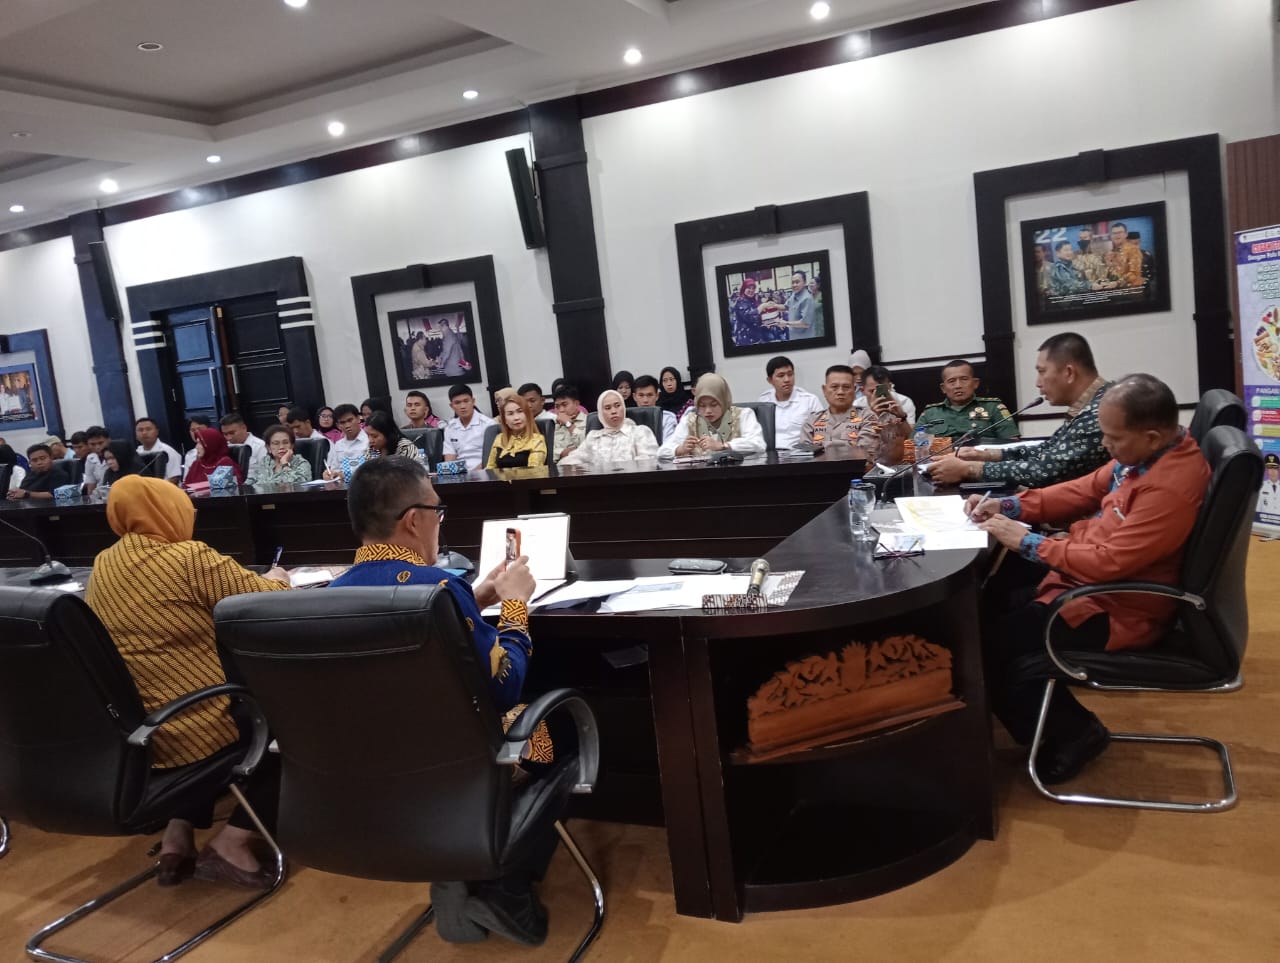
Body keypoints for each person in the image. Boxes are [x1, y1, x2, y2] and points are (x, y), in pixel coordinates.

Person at [328, 457, 555, 945]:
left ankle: (454, 869)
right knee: (553, 729)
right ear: (414, 520)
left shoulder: (326, 595)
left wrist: (477, 596)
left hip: (373, 774)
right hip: (459, 764)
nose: (439, 520)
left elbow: (424, 625)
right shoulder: (439, 587)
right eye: (438, 510)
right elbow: (505, 685)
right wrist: (516, 605)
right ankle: (502, 884)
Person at [969, 374, 1210, 784]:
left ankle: (1075, 732)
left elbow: (1109, 564)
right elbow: (1081, 491)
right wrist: (1009, 506)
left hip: (1118, 606)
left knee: (985, 646)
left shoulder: (1168, 487)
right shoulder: (1145, 455)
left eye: (1113, 438)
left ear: (1151, 436)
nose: (1105, 445)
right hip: (1086, 582)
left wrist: (1027, 541)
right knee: (991, 603)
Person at [85, 475, 291, 887]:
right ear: (168, 512)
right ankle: (233, 842)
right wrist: (280, 578)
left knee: (188, 695)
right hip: (195, 729)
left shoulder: (103, 563)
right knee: (298, 729)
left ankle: (176, 837)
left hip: (139, 737)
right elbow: (268, 601)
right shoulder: (188, 557)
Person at [928, 332, 1111, 487]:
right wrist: (986, 455)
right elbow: (1047, 449)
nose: (1038, 383)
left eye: (1042, 371)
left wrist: (968, 469)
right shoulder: (1093, 405)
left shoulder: (1101, 413)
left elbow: (1046, 470)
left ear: (1069, 373)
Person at [658, 373, 766, 458]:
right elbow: (662, 452)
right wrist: (679, 449)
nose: (708, 411)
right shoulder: (690, 420)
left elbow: (758, 444)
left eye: (714, 405)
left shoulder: (743, 415)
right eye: (702, 405)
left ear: (724, 400)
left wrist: (723, 446)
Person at [914, 360, 1020, 443]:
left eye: (964, 379)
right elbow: (914, 445)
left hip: (981, 462)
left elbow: (1011, 443)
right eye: (951, 381)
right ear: (943, 388)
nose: (958, 385)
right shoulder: (930, 413)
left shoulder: (993, 408)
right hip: (941, 462)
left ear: (975, 383)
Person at [560, 390, 659, 465]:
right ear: (601, 413)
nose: (614, 411)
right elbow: (569, 462)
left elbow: (649, 463)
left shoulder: (640, 432)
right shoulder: (593, 438)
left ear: (623, 407)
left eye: (617, 405)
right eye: (608, 408)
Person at [758, 355, 823, 450]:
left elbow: (821, 433)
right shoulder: (764, 401)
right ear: (770, 380)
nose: (787, 380)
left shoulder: (810, 400)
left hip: (799, 453)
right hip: (771, 453)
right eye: (781, 376)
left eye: (790, 374)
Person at [486, 396, 548, 469]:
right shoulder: (499, 439)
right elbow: (490, 469)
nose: (516, 418)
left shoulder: (537, 440)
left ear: (527, 415)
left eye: (520, 411)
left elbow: (534, 470)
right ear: (504, 420)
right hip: (500, 476)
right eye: (510, 414)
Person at [441, 384, 495, 466]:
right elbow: (449, 459)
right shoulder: (450, 428)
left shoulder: (489, 424)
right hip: (460, 472)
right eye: (457, 403)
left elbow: (492, 458)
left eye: (466, 401)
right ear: (451, 406)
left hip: (484, 470)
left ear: (473, 401)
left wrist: (474, 473)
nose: (463, 406)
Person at [247, 424, 314, 487]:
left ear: (292, 446)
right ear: (268, 448)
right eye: (276, 443)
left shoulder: (301, 463)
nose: (281, 447)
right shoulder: (265, 462)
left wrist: (285, 463)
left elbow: (296, 486)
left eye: (285, 442)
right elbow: (252, 480)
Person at [323, 403, 370, 479]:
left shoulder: (369, 440)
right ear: (338, 425)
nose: (347, 425)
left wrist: (345, 475)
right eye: (342, 423)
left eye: (350, 420)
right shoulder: (338, 445)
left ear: (358, 419)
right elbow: (334, 470)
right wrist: (330, 474)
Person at [135, 416, 182, 482]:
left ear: (157, 432)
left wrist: (156, 487)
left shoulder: (167, 451)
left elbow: (175, 478)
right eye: (140, 430)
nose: (144, 433)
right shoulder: (136, 453)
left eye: (148, 429)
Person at [632, 375, 677, 441]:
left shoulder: (667, 418)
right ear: (634, 397)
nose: (645, 400)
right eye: (641, 395)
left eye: (650, 395)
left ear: (657, 396)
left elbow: (668, 444)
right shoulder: (627, 420)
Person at [551, 383, 589, 462]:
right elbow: (548, 450)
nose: (561, 410)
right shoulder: (552, 425)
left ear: (576, 404)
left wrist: (569, 424)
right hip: (557, 466)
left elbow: (588, 447)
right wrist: (562, 453)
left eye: (564, 405)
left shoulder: (589, 421)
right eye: (557, 406)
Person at [1106, 221, 1145, 289]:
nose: (1117, 235)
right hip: (1114, 290)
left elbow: (1134, 274)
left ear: (1126, 234)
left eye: (1120, 232)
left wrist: (1118, 283)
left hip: (1131, 290)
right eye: (1114, 233)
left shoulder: (1133, 250)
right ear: (1111, 236)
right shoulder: (1109, 253)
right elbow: (1109, 273)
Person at [729, 276, 766, 346]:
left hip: (755, 337)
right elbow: (748, 316)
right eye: (749, 288)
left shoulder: (753, 301)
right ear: (744, 288)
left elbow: (757, 319)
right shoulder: (741, 301)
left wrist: (766, 322)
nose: (751, 290)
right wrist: (761, 307)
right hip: (745, 339)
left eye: (753, 288)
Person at [781, 271, 818, 338]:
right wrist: (773, 305)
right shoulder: (794, 294)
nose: (794, 285)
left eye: (797, 282)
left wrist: (786, 323)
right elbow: (785, 307)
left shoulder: (807, 298)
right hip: (794, 336)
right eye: (792, 282)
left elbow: (805, 323)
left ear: (804, 283)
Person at [82, 425, 111, 493]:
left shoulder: (118, 454)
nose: (97, 447)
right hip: (100, 494)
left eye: (100, 443)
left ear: (108, 440)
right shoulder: (90, 458)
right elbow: (91, 484)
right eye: (92, 444)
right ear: (87, 444)